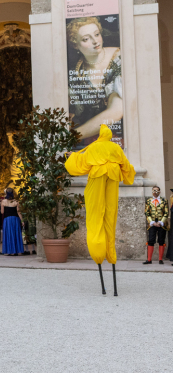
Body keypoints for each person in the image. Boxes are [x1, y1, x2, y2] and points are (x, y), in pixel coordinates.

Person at [65, 124, 135, 295]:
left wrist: (71, 156)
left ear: (100, 135)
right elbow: (126, 166)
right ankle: (110, 254)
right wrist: (127, 176)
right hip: (112, 180)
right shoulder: (115, 148)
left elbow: (80, 163)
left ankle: (98, 252)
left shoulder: (94, 147)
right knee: (110, 217)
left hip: (97, 179)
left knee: (95, 215)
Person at [67, 17, 123, 144]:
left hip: (120, 138)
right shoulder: (75, 71)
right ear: (75, 44)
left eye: (97, 34)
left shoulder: (119, 58)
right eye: (86, 39)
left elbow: (116, 111)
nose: (95, 41)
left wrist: (71, 136)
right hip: (88, 141)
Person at [143, 186, 169, 265]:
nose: (155, 192)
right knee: (151, 240)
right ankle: (149, 260)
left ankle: (160, 259)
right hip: (152, 224)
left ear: (159, 192)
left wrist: (161, 222)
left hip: (161, 224)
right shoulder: (148, 201)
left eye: (157, 191)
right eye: (154, 190)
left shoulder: (164, 201)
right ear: (152, 191)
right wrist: (152, 222)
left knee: (161, 241)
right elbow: (147, 213)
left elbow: (166, 213)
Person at [1, 188, 24, 256]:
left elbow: (2, 212)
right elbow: (19, 212)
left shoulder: (3, 201)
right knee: (15, 234)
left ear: (6, 193)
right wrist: (22, 221)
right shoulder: (16, 201)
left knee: (8, 234)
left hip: (7, 220)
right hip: (15, 219)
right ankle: (16, 250)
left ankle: (9, 251)